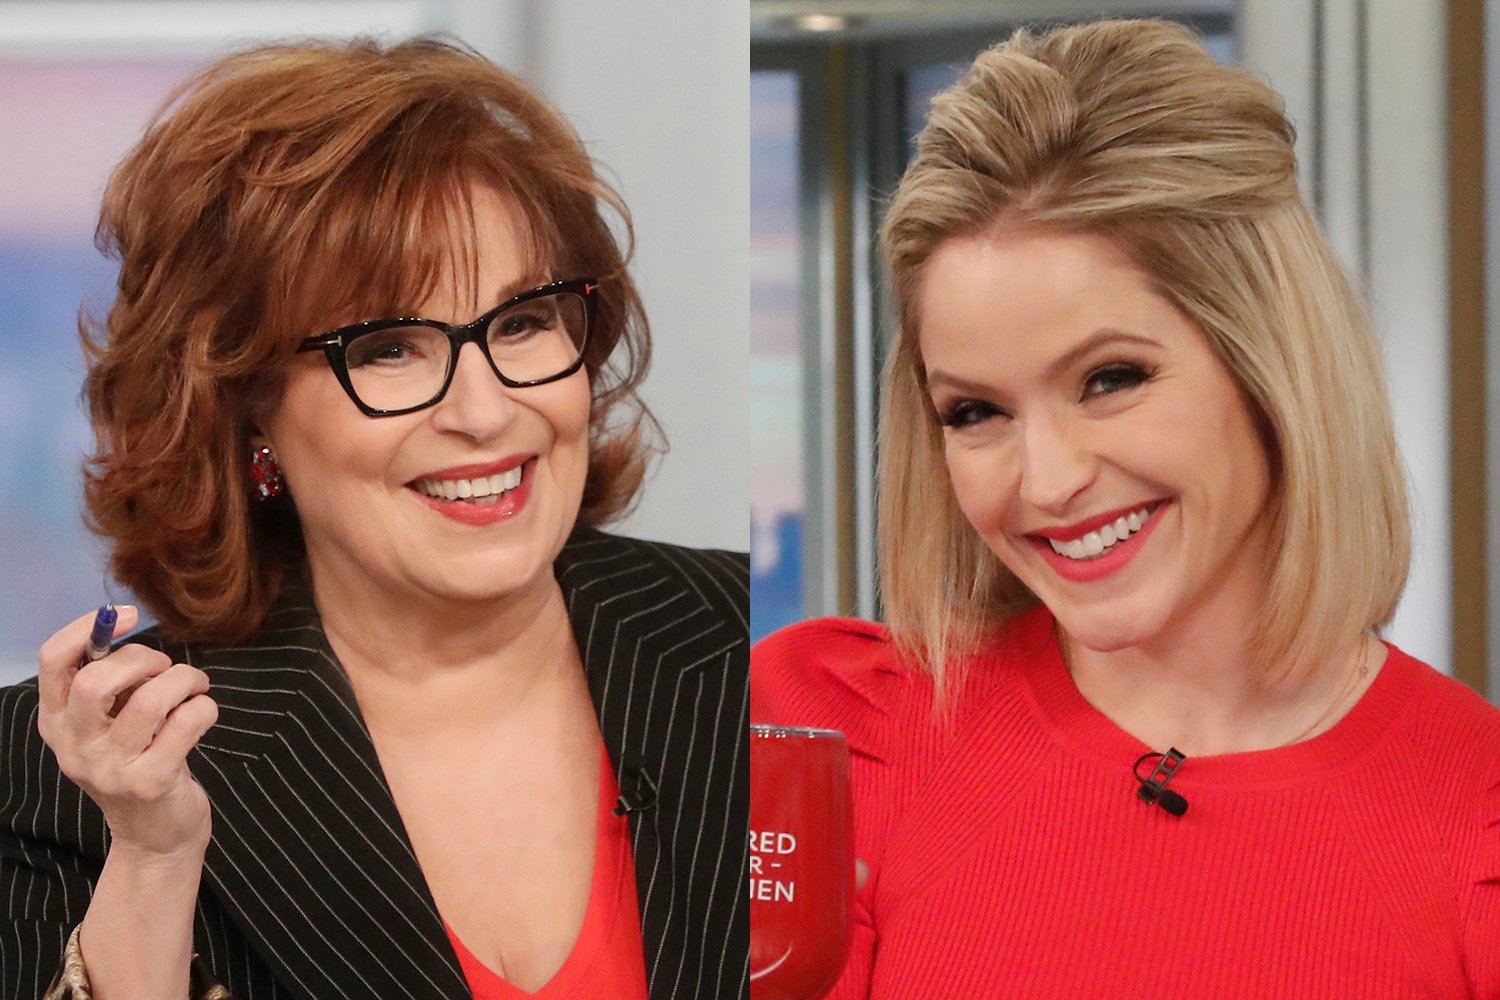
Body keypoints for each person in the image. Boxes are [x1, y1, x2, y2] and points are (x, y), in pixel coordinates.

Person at [752, 18, 1500, 998]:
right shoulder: (826, 738)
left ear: (1266, 364)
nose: (1049, 479)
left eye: (1111, 379)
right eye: (976, 411)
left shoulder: (1473, 818)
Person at [0, 38, 747, 1000]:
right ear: (245, 401)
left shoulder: (759, 654)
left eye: (523, 322)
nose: (483, 411)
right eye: (390, 348)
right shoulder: (68, 775)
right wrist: (150, 863)